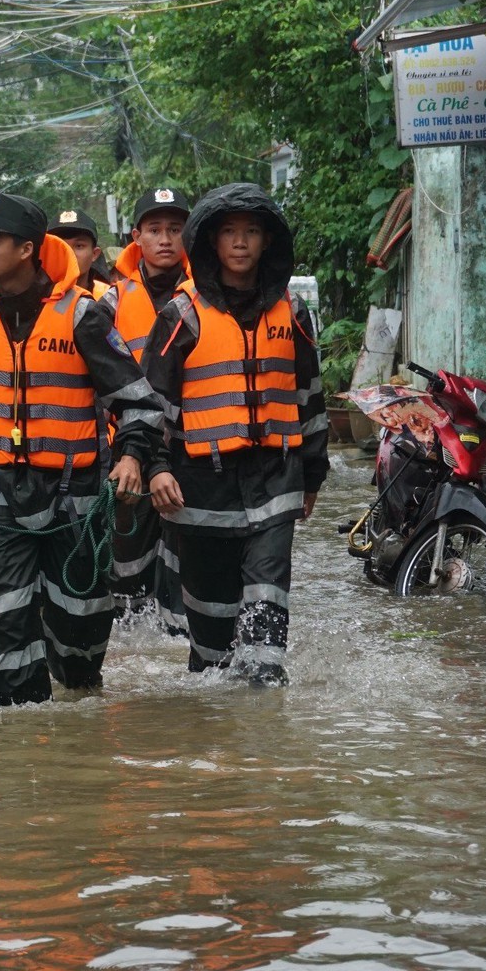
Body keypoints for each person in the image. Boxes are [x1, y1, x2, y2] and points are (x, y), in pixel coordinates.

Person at [0, 193, 167, 706]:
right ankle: (14, 737)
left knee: (80, 631)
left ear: (26, 249)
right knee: (5, 619)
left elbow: (138, 404)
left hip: (73, 498)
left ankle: (76, 707)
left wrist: (133, 456)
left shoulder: (82, 317)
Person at [139, 182, 327, 686]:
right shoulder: (181, 315)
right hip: (201, 483)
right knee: (212, 637)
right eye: (229, 233)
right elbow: (152, 403)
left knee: (268, 594)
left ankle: (266, 697)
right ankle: (217, 733)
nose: (241, 243)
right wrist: (155, 467)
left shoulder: (294, 313)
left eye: (251, 233)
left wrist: (313, 474)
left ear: (267, 242)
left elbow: (309, 396)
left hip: (276, 476)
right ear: (211, 243)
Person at [92, 187, 192, 628]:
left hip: (190, 453)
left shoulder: (205, 297)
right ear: (136, 237)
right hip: (127, 453)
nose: (165, 239)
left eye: (175, 229)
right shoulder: (111, 302)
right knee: (127, 569)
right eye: (154, 230)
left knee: (184, 564)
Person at [52, 208, 115, 297]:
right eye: (61, 246)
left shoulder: (110, 299)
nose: (69, 254)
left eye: (79, 246)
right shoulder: (35, 298)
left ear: (94, 254)